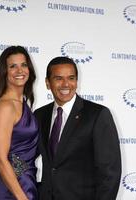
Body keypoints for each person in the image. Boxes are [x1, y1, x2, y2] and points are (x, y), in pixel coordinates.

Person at [34, 56, 122, 200]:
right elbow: (26, 155)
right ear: (47, 83)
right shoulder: (40, 115)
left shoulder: (97, 114)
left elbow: (109, 173)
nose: (66, 84)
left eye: (71, 78)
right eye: (58, 78)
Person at [0, 46, 39, 200]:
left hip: (26, 182)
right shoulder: (6, 106)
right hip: (12, 189)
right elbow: (0, 157)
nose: (20, 71)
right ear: (4, 72)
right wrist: (21, 197)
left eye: (24, 65)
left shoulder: (22, 103)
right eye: (13, 66)